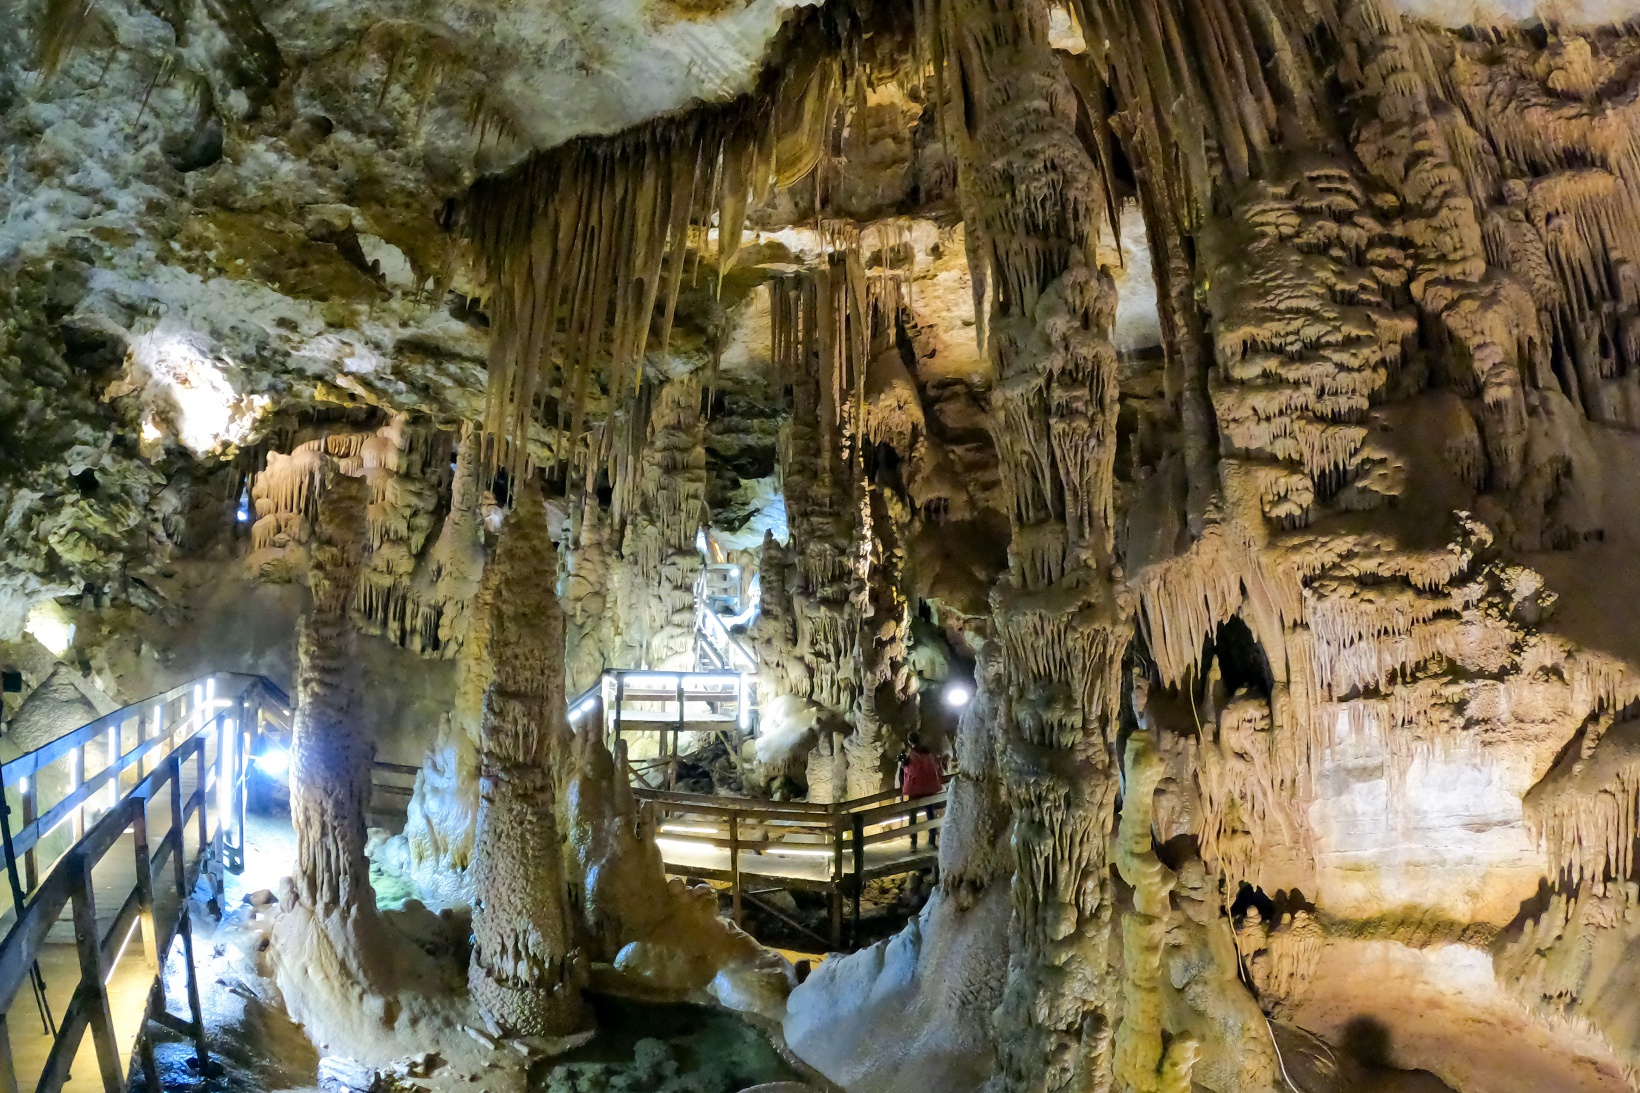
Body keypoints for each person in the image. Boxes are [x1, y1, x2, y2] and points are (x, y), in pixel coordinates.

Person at [896, 733, 944, 850]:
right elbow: (936, 767)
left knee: (913, 815)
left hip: (915, 789)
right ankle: (932, 840)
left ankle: (913, 843)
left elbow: (913, 771)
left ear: (909, 741)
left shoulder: (913, 755)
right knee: (930, 813)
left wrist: (903, 766)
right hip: (928, 788)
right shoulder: (928, 753)